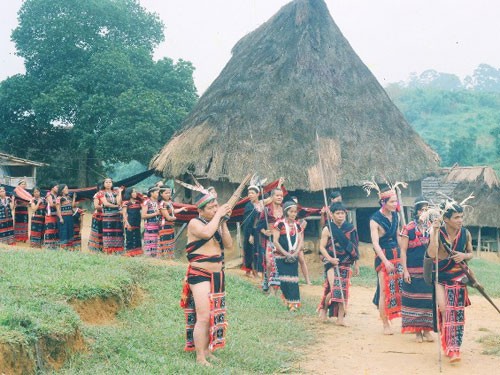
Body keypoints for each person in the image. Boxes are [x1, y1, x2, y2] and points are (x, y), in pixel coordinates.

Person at [180, 191, 232, 366]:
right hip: (199, 273)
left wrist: (223, 222)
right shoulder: (194, 222)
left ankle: (207, 351)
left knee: (212, 315)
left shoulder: (216, 223)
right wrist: (219, 216)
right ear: (200, 211)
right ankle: (200, 357)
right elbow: (205, 234)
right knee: (203, 316)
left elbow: (229, 245)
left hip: (217, 275)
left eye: (216, 206)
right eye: (211, 208)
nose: (214, 209)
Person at [427, 199, 473, 363]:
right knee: (445, 309)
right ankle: (448, 344)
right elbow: (432, 255)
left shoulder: (465, 233)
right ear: (446, 219)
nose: (460, 220)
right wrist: (434, 232)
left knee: (457, 312)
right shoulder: (438, 233)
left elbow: (470, 253)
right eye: (456, 217)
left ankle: (455, 349)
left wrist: (463, 256)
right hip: (441, 277)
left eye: (461, 216)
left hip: (459, 277)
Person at [317, 202, 359, 325]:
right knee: (335, 288)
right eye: (338, 213)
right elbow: (322, 247)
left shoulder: (350, 229)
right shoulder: (327, 228)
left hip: (346, 262)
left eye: (342, 213)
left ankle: (340, 319)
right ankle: (324, 308)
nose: (340, 216)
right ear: (332, 215)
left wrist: (356, 263)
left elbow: (355, 247)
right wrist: (330, 259)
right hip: (331, 263)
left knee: (343, 290)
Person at [400, 196, 434, 342]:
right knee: (414, 302)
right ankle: (417, 332)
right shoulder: (408, 228)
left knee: (428, 301)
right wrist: (405, 270)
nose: (424, 212)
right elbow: (403, 251)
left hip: (428, 273)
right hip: (413, 272)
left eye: (427, 210)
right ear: (416, 211)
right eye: (421, 209)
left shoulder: (433, 228)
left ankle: (427, 330)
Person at [370, 187, 404, 335]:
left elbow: (398, 236)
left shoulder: (396, 215)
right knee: (384, 290)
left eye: (396, 201)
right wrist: (385, 262)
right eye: (392, 201)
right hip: (382, 256)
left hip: (396, 253)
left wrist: (403, 256)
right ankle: (385, 324)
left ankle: (403, 319)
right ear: (383, 202)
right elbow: (375, 244)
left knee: (400, 288)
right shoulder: (374, 220)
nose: (395, 204)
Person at [272, 201, 303, 311]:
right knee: (284, 280)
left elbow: (300, 241)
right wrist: (286, 254)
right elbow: (275, 241)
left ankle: (294, 304)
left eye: (295, 212)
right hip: (281, 257)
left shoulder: (297, 225)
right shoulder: (279, 224)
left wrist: (294, 254)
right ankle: (286, 301)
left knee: (293, 280)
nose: (294, 214)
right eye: (291, 212)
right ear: (286, 212)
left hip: (293, 257)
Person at [257, 188, 284, 291]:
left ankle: (280, 284)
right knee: (269, 262)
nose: (279, 197)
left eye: (281, 196)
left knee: (279, 262)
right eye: (277, 195)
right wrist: (265, 232)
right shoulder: (267, 210)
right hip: (270, 239)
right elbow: (259, 225)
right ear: (272, 197)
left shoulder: (284, 210)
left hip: (282, 239)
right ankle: (267, 280)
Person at [97, 178, 124, 254]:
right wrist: (116, 207)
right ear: (104, 184)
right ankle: (109, 250)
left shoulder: (115, 192)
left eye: (110, 182)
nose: (108, 183)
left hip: (116, 216)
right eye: (106, 182)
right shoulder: (101, 193)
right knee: (108, 233)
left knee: (117, 232)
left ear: (112, 184)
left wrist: (120, 193)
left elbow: (119, 202)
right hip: (107, 216)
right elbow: (106, 204)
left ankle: (117, 250)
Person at [158, 187, 186, 258]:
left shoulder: (169, 202)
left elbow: (173, 211)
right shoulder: (163, 204)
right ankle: (165, 258)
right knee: (165, 241)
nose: (168, 194)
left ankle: (169, 257)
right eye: (166, 193)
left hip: (170, 225)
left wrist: (181, 209)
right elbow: (168, 217)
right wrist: (175, 218)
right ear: (161, 194)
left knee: (170, 241)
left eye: (169, 192)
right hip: (165, 225)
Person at [290, 196, 311, 284]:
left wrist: (301, 243)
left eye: (296, 203)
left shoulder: (300, 218)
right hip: (289, 242)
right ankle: (293, 280)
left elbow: (301, 232)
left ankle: (307, 280)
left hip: (298, 243)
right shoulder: (286, 218)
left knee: (301, 260)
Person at [122, 188, 143, 257]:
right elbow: (124, 214)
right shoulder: (126, 203)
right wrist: (127, 223)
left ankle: (137, 252)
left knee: (137, 237)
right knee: (130, 238)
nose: (135, 193)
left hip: (137, 222)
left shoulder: (138, 202)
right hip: (130, 222)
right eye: (133, 192)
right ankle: (129, 253)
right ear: (129, 193)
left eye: (135, 192)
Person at [142, 187, 161, 257]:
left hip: (157, 225)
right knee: (150, 242)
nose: (158, 194)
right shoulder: (147, 202)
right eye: (157, 192)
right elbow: (143, 215)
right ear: (151, 193)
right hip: (150, 225)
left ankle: (156, 256)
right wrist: (156, 214)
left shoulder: (158, 202)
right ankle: (150, 257)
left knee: (156, 241)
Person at [55, 184, 76, 249]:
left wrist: (74, 198)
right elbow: (58, 209)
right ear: (62, 190)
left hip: (70, 217)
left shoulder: (68, 197)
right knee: (64, 231)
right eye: (66, 188)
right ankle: (63, 247)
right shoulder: (58, 198)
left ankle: (69, 247)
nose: (67, 190)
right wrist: (60, 218)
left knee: (70, 231)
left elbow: (72, 206)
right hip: (63, 217)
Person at [44, 183, 59, 249]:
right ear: (52, 188)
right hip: (50, 215)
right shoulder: (49, 195)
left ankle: (55, 246)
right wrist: (58, 203)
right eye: (56, 187)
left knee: (55, 230)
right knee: (50, 230)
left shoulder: (57, 195)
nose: (58, 189)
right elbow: (52, 204)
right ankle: (48, 246)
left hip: (56, 215)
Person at [88, 188, 104, 252]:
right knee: (97, 232)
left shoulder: (111, 194)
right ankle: (96, 248)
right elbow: (96, 206)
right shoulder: (97, 195)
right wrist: (106, 207)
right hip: (98, 216)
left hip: (106, 216)